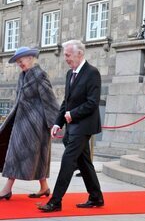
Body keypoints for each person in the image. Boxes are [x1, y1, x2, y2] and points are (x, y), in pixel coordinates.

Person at [38, 40, 104, 212]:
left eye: (68, 55)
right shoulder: (70, 74)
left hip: (85, 125)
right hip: (73, 124)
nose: (65, 58)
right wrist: (57, 123)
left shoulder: (92, 73)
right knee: (84, 162)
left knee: (68, 161)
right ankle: (96, 197)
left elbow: (93, 103)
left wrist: (73, 114)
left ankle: (56, 201)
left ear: (79, 54)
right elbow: (66, 103)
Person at [0, 47, 59, 200]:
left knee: (20, 154)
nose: (19, 63)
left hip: (36, 124)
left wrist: (54, 123)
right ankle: (44, 187)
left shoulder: (40, 75)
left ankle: (7, 188)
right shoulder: (22, 76)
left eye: (21, 60)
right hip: (21, 121)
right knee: (30, 155)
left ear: (30, 58)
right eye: (17, 61)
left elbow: (50, 99)